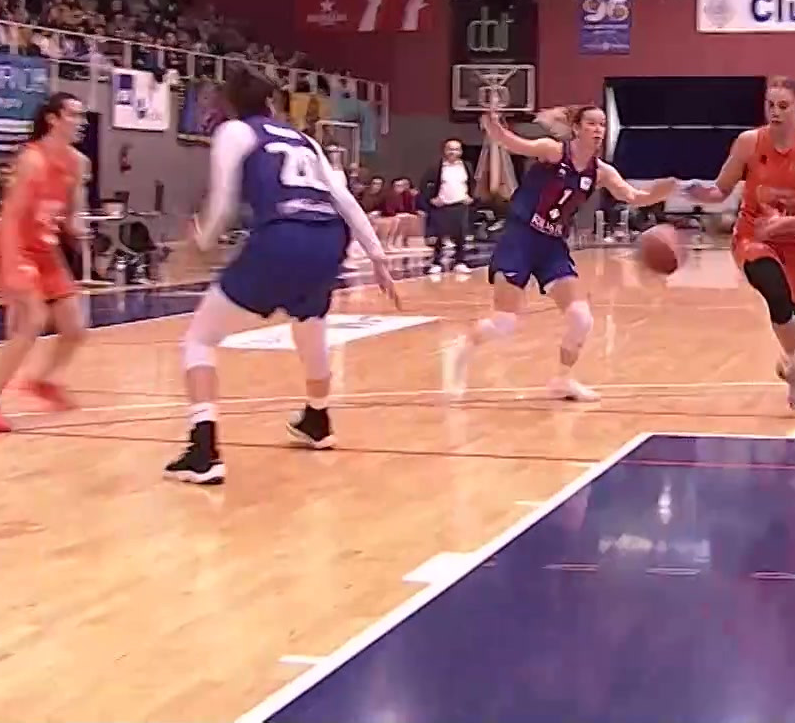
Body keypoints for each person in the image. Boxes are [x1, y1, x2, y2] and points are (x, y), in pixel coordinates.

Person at [165, 68, 400, 485]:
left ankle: (203, 450)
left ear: (230, 104)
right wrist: (377, 256)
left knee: (199, 339)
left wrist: (201, 239)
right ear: (271, 103)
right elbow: (343, 198)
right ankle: (317, 418)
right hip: (329, 239)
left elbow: (222, 203)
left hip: (284, 236)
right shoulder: (304, 139)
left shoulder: (236, 131)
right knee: (310, 326)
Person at [450, 104, 676, 402]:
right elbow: (512, 143)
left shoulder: (601, 172)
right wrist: (493, 125)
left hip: (552, 245)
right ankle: (461, 350)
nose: (598, 130)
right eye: (592, 124)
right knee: (505, 322)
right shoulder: (553, 151)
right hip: (521, 237)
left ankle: (562, 380)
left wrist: (663, 191)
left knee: (582, 319)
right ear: (577, 128)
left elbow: (633, 196)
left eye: (602, 125)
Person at [687, 77, 795, 408]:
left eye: (783, 106)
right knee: (774, 290)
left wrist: (786, 223)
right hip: (753, 236)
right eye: (770, 105)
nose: (775, 112)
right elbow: (720, 190)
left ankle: (792, 363)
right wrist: (695, 191)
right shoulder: (748, 143)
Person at [0, 93, 91, 432]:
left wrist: (77, 226)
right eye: (74, 115)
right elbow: (12, 217)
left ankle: (44, 381)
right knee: (33, 319)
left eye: (82, 116)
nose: (80, 122)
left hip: (47, 250)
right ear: (53, 118)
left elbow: (72, 212)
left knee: (75, 329)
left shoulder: (78, 163)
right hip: (17, 246)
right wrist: (10, 264)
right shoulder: (32, 160)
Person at [420, 138, 475, 273]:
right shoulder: (436, 167)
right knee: (439, 236)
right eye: (450, 149)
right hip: (442, 206)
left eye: (456, 149)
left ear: (461, 151)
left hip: (460, 204)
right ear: (444, 150)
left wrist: (471, 196)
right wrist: (431, 199)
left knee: (461, 235)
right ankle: (436, 262)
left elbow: (472, 183)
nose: (453, 152)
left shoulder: (467, 166)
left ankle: (460, 262)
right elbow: (424, 184)